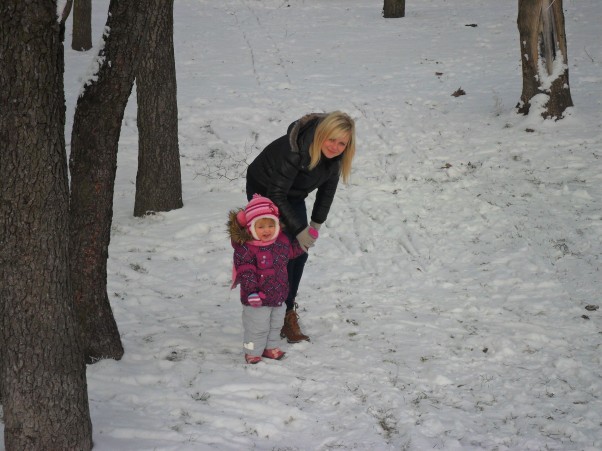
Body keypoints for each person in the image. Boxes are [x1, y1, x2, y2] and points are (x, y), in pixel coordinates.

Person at [245, 111, 356, 343]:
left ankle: (286, 311)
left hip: (291, 194)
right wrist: (298, 230)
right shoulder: (294, 151)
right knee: (277, 253)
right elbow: (275, 193)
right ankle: (265, 314)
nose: (335, 147)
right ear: (321, 134)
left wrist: (314, 225)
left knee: (299, 254)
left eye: (342, 143)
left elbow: (327, 193)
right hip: (265, 188)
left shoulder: (335, 161)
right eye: (331, 139)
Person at [228, 194, 311, 364]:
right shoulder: (246, 248)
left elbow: (292, 253)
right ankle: (251, 351)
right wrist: (251, 292)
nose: (267, 230)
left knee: (275, 325)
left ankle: (270, 347)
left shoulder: (281, 241)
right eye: (261, 226)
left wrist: (306, 241)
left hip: (278, 295)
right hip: (256, 298)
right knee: (256, 328)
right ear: (251, 227)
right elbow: (246, 270)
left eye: (270, 225)